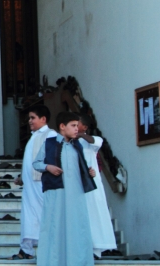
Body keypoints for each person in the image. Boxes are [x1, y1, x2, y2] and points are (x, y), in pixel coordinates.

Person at [33, 112, 96, 266]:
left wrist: (89, 172)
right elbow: (36, 163)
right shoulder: (49, 143)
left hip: (75, 193)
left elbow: (80, 166)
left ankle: (77, 261)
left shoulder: (77, 145)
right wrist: (48, 167)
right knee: (55, 226)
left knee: (76, 226)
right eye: (73, 126)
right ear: (62, 127)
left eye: (77, 125)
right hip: (57, 192)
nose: (77, 129)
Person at [13, 105, 52, 260]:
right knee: (28, 217)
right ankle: (26, 250)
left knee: (43, 215)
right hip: (30, 185)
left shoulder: (50, 135)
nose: (30, 121)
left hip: (41, 184)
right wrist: (23, 177)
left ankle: (46, 248)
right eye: (29, 118)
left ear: (43, 119)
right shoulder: (35, 135)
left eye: (33, 118)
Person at [77, 114, 118, 257]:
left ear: (85, 127)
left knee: (96, 212)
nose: (75, 126)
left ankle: (98, 248)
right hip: (78, 183)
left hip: (93, 184)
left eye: (78, 123)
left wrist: (81, 135)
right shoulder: (72, 142)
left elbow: (93, 140)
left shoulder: (93, 141)